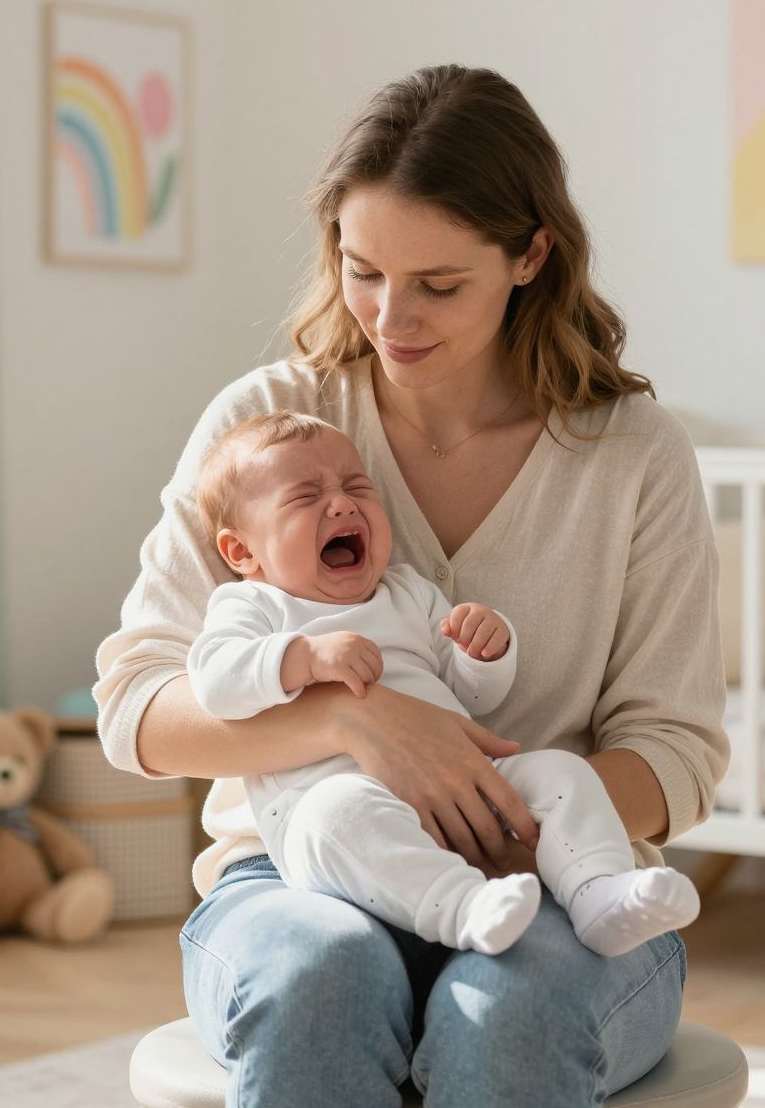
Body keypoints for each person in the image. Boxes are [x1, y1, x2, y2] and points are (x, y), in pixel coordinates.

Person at [94, 63, 726, 1107]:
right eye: (363, 270)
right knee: (316, 984)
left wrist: (489, 815)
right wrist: (359, 727)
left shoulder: (630, 456)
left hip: (562, 887)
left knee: (508, 1016)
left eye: (438, 284)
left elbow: (676, 756)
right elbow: (136, 708)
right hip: (295, 876)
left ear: (531, 255)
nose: (392, 317)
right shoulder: (266, 431)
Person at [186, 410, 702, 958]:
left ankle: (598, 893)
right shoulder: (253, 606)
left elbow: (470, 698)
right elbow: (215, 682)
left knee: (561, 773)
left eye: (356, 486)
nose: (341, 503)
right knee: (335, 814)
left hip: (467, 786)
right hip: (334, 808)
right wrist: (301, 658)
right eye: (305, 496)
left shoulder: (406, 593)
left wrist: (484, 654)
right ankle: (464, 908)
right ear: (242, 552)